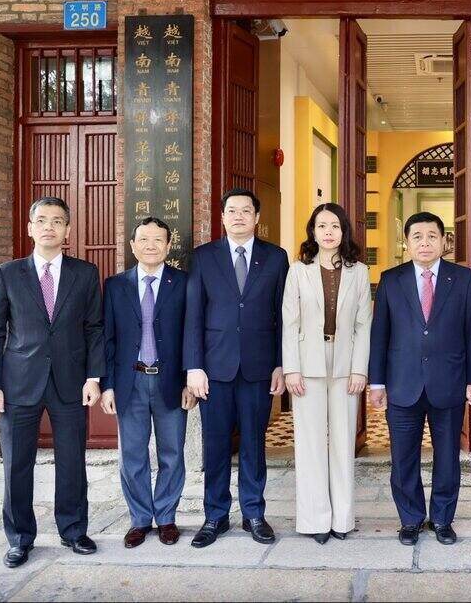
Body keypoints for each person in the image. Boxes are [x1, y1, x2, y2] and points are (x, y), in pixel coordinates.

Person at [0, 196, 104, 568]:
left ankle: (73, 530)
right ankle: (19, 538)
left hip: (70, 381)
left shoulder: (85, 273)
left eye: (58, 220)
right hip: (18, 383)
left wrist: (94, 377)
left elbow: (94, 328)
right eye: (42, 220)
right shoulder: (7, 273)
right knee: (17, 464)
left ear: (67, 229)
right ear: (30, 227)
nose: (50, 226)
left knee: (71, 462)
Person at [369, 212, 471, 546]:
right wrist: (377, 383)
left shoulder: (463, 280)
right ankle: (410, 518)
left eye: (432, 236)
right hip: (402, 385)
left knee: (447, 457)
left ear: (444, 241)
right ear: (406, 242)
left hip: (448, 383)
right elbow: (380, 334)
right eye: (417, 236)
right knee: (403, 457)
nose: (425, 242)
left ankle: (442, 519)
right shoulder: (391, 279)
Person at [184, 188, 288, 548]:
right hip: (215, 368)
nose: (239, 216)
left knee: (254, 443)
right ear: (223, 217)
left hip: (259, 367)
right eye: (232, 210)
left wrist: (280, 364)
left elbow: (282, 316)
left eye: (247, 210)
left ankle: (254, 513)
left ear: (257, 218)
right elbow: (193, 315)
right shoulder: (203, 257)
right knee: (215, 445)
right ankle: (215, 516)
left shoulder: (276, 258)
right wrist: (193, 366)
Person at [100, 217, 194, 548]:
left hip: (171, 381)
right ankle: (140, 519)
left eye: (158, 240)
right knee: (133, 455)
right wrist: (107, 385)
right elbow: (107, 339)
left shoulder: (184, 283)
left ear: (169, 246)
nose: (150, 245)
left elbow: (191, 335)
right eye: (143, 239)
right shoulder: (115, 285)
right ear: (132, 245)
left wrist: (189, 380)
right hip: (131, 381)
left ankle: (166, 517)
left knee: (172, 453)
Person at [282, 203, 372, 544]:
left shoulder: (359, 271)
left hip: (346, 362)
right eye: (322, 226)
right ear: (313, 232)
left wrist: (359, 369)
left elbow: (364, 325)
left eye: (334, 225)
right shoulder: (298, 271)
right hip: (307, 361)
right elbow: (290, 323)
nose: (329, 231)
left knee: (343, 441)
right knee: (310, 444)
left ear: (343, 230)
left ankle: (342, 519)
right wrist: (291, 369)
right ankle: (315, 520)